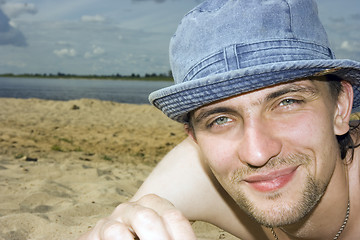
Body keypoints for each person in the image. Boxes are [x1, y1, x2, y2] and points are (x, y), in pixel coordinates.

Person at [80, 0, 360, 239]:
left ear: (340, 107)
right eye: (220, 119)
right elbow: (128, 224)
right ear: (195, 139)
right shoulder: (197, 173)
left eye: (287, 102)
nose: (258, 153)